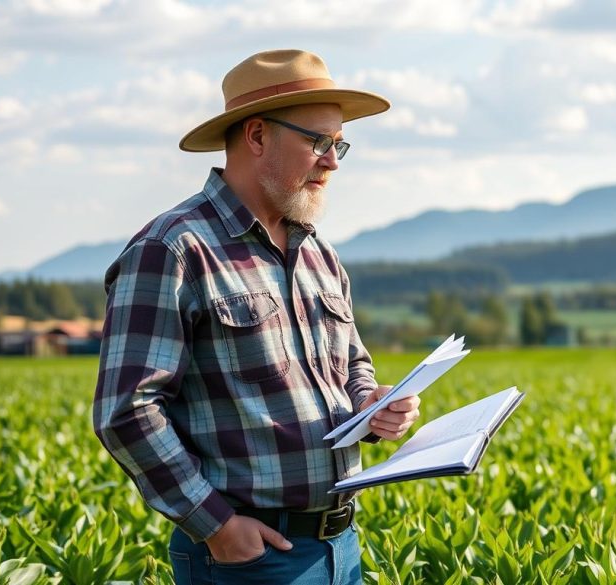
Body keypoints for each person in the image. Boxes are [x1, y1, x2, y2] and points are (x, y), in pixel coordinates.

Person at [92, 49, 419, 584]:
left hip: (342, 546)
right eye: (317, 141)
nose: (333, 161)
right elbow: (127, 410)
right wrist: (217, 527)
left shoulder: (318, 253)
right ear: (259, 136)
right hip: (251, 556)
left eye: (340, 144)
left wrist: (371, 402)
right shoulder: (174, 248)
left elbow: (352, 364)